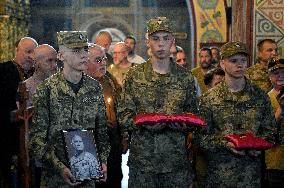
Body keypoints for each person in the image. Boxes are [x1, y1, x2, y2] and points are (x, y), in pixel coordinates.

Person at [117, 16, 199, 188]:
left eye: (166, 38)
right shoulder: (134, 75)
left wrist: (184, 125)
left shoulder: (185, 78)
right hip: (143, 164)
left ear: (173, 41)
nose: (161, 44)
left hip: (176, 164)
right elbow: (123, 114)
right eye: (155, 39)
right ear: (148, 42)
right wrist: (142, 124)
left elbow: (194, 115)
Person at [29, 31, 110, 187]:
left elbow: (102, 133)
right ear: (61, 56)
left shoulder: (94, 88)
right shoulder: (47, 89)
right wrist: (61, 167)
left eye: (85, 49)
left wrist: (103, 161)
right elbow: (36, 140)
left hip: (87, 176)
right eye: (76, 50)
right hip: (56, 178)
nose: (84, 55)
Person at [198, 42, 277, 187]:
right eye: (233, 61)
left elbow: (271, 132)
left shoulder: (260, 96)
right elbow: (201, 137)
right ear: (222, 63)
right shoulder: (209, 99)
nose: (239, 65)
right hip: (220, 176)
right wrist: (225, 144)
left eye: (243, 61)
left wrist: (257, 145)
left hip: (251, 176)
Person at [0, 36, 38, 188]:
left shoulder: (36, 74)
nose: (30, 56)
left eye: (33, 53)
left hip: (30, 135)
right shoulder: (4, 70)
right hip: (6, 134)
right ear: (17, 51)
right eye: (27, 52)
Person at [86, 44, 123, 188]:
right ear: (85, 62)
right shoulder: (78, 83)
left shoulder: (110, 80)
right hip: (90, 148)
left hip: (113, 146)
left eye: (103, 59)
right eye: (97, 60)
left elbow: (121, 105)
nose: (103, 64)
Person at [265, 58, 284, 187]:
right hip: (275, 161)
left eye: (283, 72)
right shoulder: (265, 98)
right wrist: (281, 109)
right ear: (269, 76)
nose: (281, 76)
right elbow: (265, 130)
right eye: (276, 73)